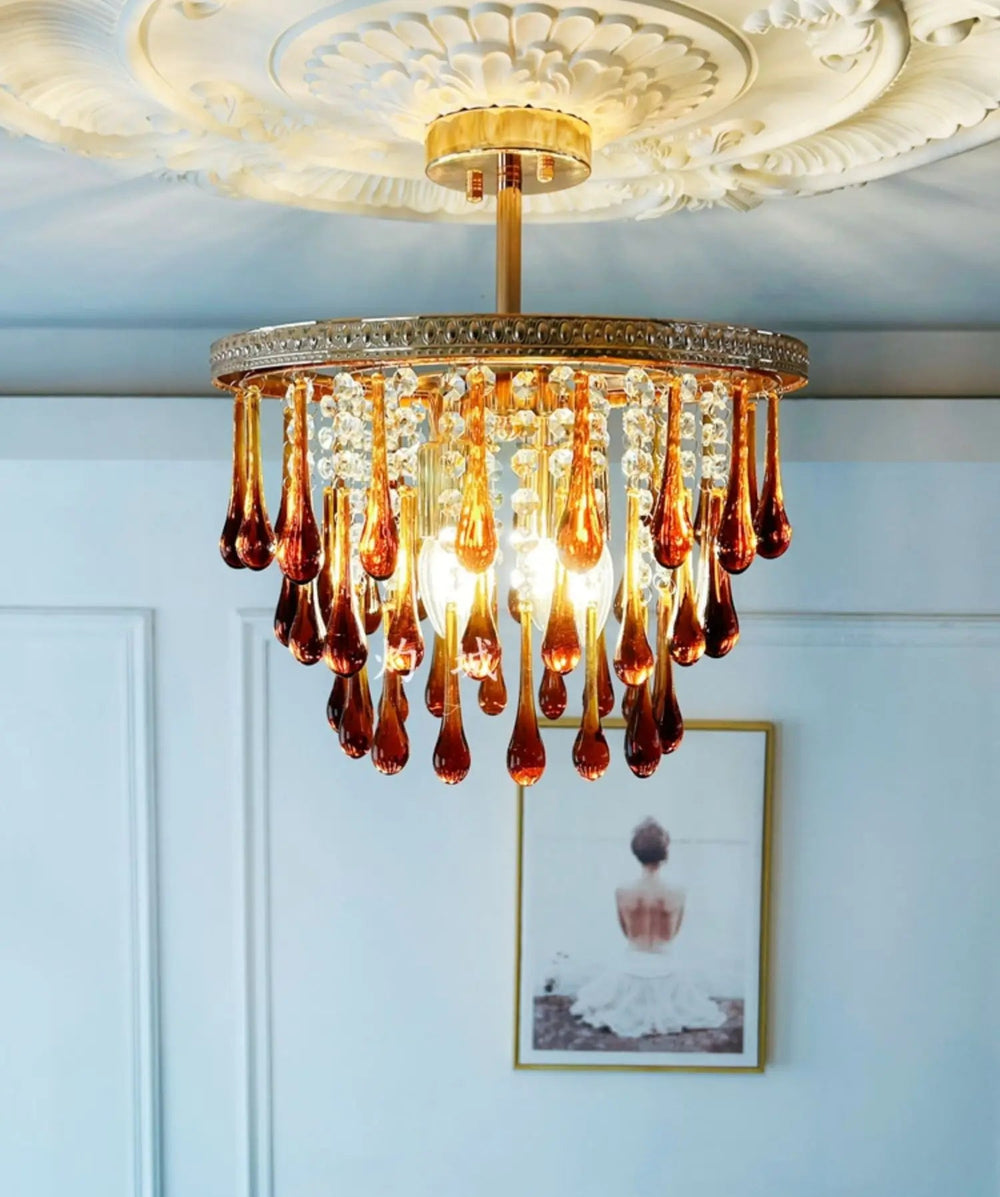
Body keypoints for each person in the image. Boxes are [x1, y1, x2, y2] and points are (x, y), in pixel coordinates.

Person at [569, 817, 726, 1038]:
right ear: (665, 853)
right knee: (694, 1007)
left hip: (630, 969)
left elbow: (625, 931)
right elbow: (674, 933)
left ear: (636, 852)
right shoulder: (678, 892)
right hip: (667, 970)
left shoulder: (622, 891)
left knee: (597, 1002)